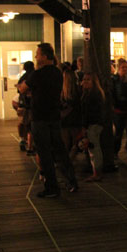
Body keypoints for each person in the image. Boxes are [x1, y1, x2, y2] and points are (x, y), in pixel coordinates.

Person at [19, 43, 78, 197]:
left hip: (40, 117)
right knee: (59, 150)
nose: (36, 57)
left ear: (44, 56)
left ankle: (52, 187)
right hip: (54, 116)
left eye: (37, 54)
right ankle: (72, 181)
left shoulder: (38, 74)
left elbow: (23, 88)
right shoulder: (58, 73)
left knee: (44, 153)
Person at [80, 72, 105, 181]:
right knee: (93, 149)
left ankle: (97, 173)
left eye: (88, 80)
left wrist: (84, 126)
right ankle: (96, 171)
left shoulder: (92, 95)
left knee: (94, 149)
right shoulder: (91, 93)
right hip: (95, 124)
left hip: (93, 124)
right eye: (84, 79)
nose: (85, 82)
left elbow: (88, 113)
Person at [60, 68, 82, 159]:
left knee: (65, 144)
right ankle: (70, 160)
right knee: (75, 143)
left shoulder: (62, 92)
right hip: (76, 120)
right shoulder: (78, 90)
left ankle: (66, 162)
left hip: (64, 121)